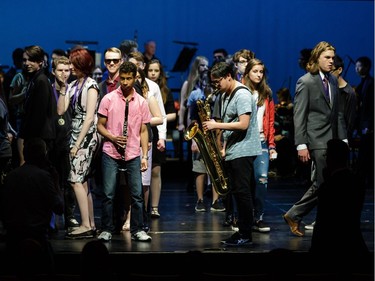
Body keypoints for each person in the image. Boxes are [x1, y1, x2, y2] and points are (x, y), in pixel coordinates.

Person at [282, 41, 347, 237]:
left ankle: (302, 216)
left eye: (332, 58)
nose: (331, 61)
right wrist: (301, 144)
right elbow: (299, 115)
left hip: (334, 140)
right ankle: (295, 214)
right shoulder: (306, 81)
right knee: (324, 182)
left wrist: (343, 139)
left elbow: (338, 113)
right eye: (327, 57)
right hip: (317, 140)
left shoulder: (333, 81)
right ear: (316, 58)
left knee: (328, 183)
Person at [202, 62, 261, 246]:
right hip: (234, 149)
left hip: (244, 150)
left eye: (218, 81)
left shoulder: (242, 94)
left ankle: (245, 233)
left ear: (229, 76)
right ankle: (241, 230)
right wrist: (222, 146)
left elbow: (243, 124)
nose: (215, 86)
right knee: (236, 191)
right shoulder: (225, 94)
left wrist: (216, 125)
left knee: (243, 192)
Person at [96, 61, 152, 242]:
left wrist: (144, 156)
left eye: (129, 79)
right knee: (108, 194)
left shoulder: (142, 102)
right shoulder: (108, 99)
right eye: (123, 79)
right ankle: (106, 228)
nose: (125, 82)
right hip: (111, 151)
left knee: (136, 194)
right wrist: (112, 137)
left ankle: (138, 229)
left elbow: (144, 131)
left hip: (133, 152)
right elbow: (99, 126)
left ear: (135, 77)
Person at [1, 137, 64, 276]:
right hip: (37, 238)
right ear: (43, 154)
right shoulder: (44, 177)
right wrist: (56, 183)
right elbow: (59, 208)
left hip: (13, 239)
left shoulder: (11, 176)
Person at [57, 47, 100, 239]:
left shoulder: (91, 85)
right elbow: (61, 110)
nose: (70, 68)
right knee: (82, 182)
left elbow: (90, 118)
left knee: (75, 180)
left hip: (87, 135)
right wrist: (63, 87)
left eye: (73, 64)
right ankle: (89, 223)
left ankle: (85, 224)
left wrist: (77, 144)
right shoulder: (73, 85)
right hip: (74, 133)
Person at [310, 139, 368, 269]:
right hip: (354, 246)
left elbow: (324, 221)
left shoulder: (329, 186)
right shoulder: (357, 182)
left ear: (331, 158)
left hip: (331, 248)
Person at [242, 58, 276, 233]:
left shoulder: (266, 93)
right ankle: (242, 217)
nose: (258, 74)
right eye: (255, 71)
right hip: (244, 141)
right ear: (248, 72)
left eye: (261, 72)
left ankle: (259, 216)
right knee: (244, 182)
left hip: (261, 141)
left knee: (262, 178)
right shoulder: (241, 91)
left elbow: (270, 121)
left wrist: (272, 145)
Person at [187, 69, 225, 212]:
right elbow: (192, 118)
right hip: (201, 135)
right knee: (199, 169)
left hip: (216, 135)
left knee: (216, 168)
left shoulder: (220, 95)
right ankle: (200, 199)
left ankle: (216, 200)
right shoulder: (196, 95)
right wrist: (194, 140)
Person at [49, 56, 79, 231]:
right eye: (60, 70)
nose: (64, 74)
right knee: (51, 181)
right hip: (52, 141)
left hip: (69, 141)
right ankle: (51, 216)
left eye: (67, 70)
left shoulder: (74, 90)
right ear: (53, 71)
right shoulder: (48, 89)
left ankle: (70, 216)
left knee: (69, 182)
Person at [145, 59, 176, 219]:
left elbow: (170, 113)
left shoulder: (163, 90)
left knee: (156, 170)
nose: (153, 73)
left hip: (156, 130)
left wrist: (161, 118)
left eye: (156, 71)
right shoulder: (143, 87)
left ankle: (154, 207)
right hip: (145, 129)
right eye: (150, 70)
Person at [17, 45, 56, 166]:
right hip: (36, 138)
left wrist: (33, 140)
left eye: (31, 60)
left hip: (39, 139)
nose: (27, 63)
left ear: (40, 62)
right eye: (24, 60)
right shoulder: (35, 79)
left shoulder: (41, 80)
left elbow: (40, 113)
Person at [178, 56, 209, 191]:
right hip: (191, 121)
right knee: (192, 153)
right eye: (202, 65)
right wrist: (181, 123)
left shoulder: (208, 84)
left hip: (205, 122)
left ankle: (207, 184)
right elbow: (182, 106)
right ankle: (191, 182)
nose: (205, 68)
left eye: (206, 66)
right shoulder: (188, 84)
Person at [354, 56, 374, 188]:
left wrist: (370, 125)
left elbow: (371, 107)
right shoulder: (364, 83)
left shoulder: (371, 83)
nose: (356, 69)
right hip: (363, 124)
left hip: (368, 124)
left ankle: (369, 180)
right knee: (365, 152)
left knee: (367, 153)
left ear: (366, 67)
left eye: (359, 66)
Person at [331, 55, 357, 149]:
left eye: (330, 72)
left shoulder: (349, 93)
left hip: (340, 143)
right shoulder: (328, 89)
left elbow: (350, 123)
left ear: (339, 70)